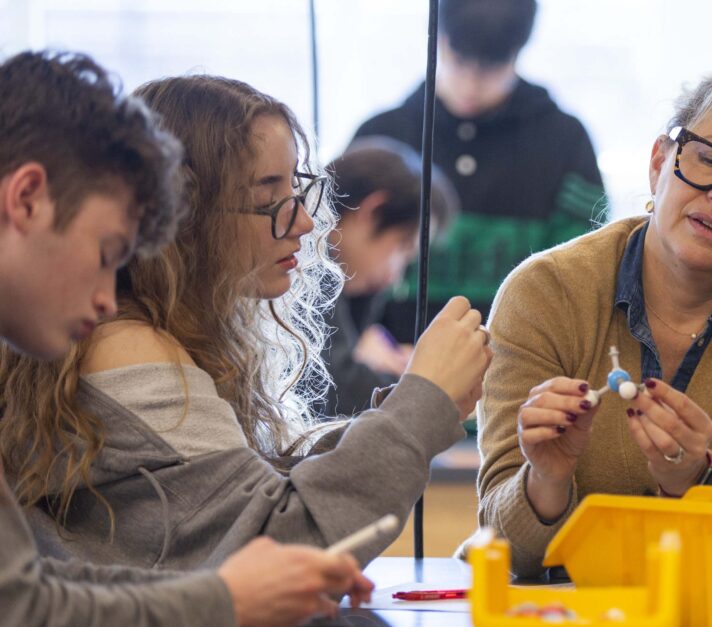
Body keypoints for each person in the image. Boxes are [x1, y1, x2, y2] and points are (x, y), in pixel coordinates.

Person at [2, 74, 490, 571]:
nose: (301, 222)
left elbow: (248, 498)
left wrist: (416, 403)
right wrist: (422, 404)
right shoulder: (126, 346)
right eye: (267, 200)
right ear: (187, 216)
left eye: (296, 189)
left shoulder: (173, 336)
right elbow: (280, 542)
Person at [0, 50, 371, 627]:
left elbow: (33, 587)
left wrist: (221, 593)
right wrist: (221, 602)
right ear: (27, 197)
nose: (102, 299)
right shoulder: (125, 343)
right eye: (105, 254)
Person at [469, 66, 712, 577]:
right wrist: (547, 480)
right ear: (659, 163)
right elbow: (505, 547)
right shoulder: (545, 291)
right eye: (709, 158)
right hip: (558, 618)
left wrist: (696, 476)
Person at [353, 0, 604, 338]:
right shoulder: (380, 136)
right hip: (386, 379)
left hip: (517, 376)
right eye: (459, 62)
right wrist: (357, 337)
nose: (471, 85)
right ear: (438, 39)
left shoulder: (566, 143)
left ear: (519, 50)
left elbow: (582, 281)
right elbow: (330, 265)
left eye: (491, 68)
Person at [321, 137, 459, 417]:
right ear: (373, 211)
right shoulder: (302, 265)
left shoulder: (347, 286)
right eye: (403, 248)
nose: (395, 278)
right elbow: (337, 392)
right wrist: (430, 381)